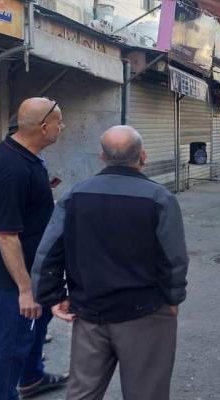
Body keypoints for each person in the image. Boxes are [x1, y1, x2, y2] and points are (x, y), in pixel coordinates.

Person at [31, 125, 189, 400]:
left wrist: (52, 296)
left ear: (102, 157)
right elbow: (173, 257)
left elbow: (48, 251)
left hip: (89, 311)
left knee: (82, 393)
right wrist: (173, 298)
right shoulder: (159, 198)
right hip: (145, 312)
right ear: (143, 156)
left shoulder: (75, 195)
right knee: (146, 392)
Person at [0, 97, 67, 399]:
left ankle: (31, 378)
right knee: (14, 342)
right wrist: (25, 290)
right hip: (18, 276)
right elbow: (6, 236)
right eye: (59, 122)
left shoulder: (28, 156)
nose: (62, 127)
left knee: (37, 326)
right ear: (43, 128)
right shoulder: (11, 167)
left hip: (38, 268)